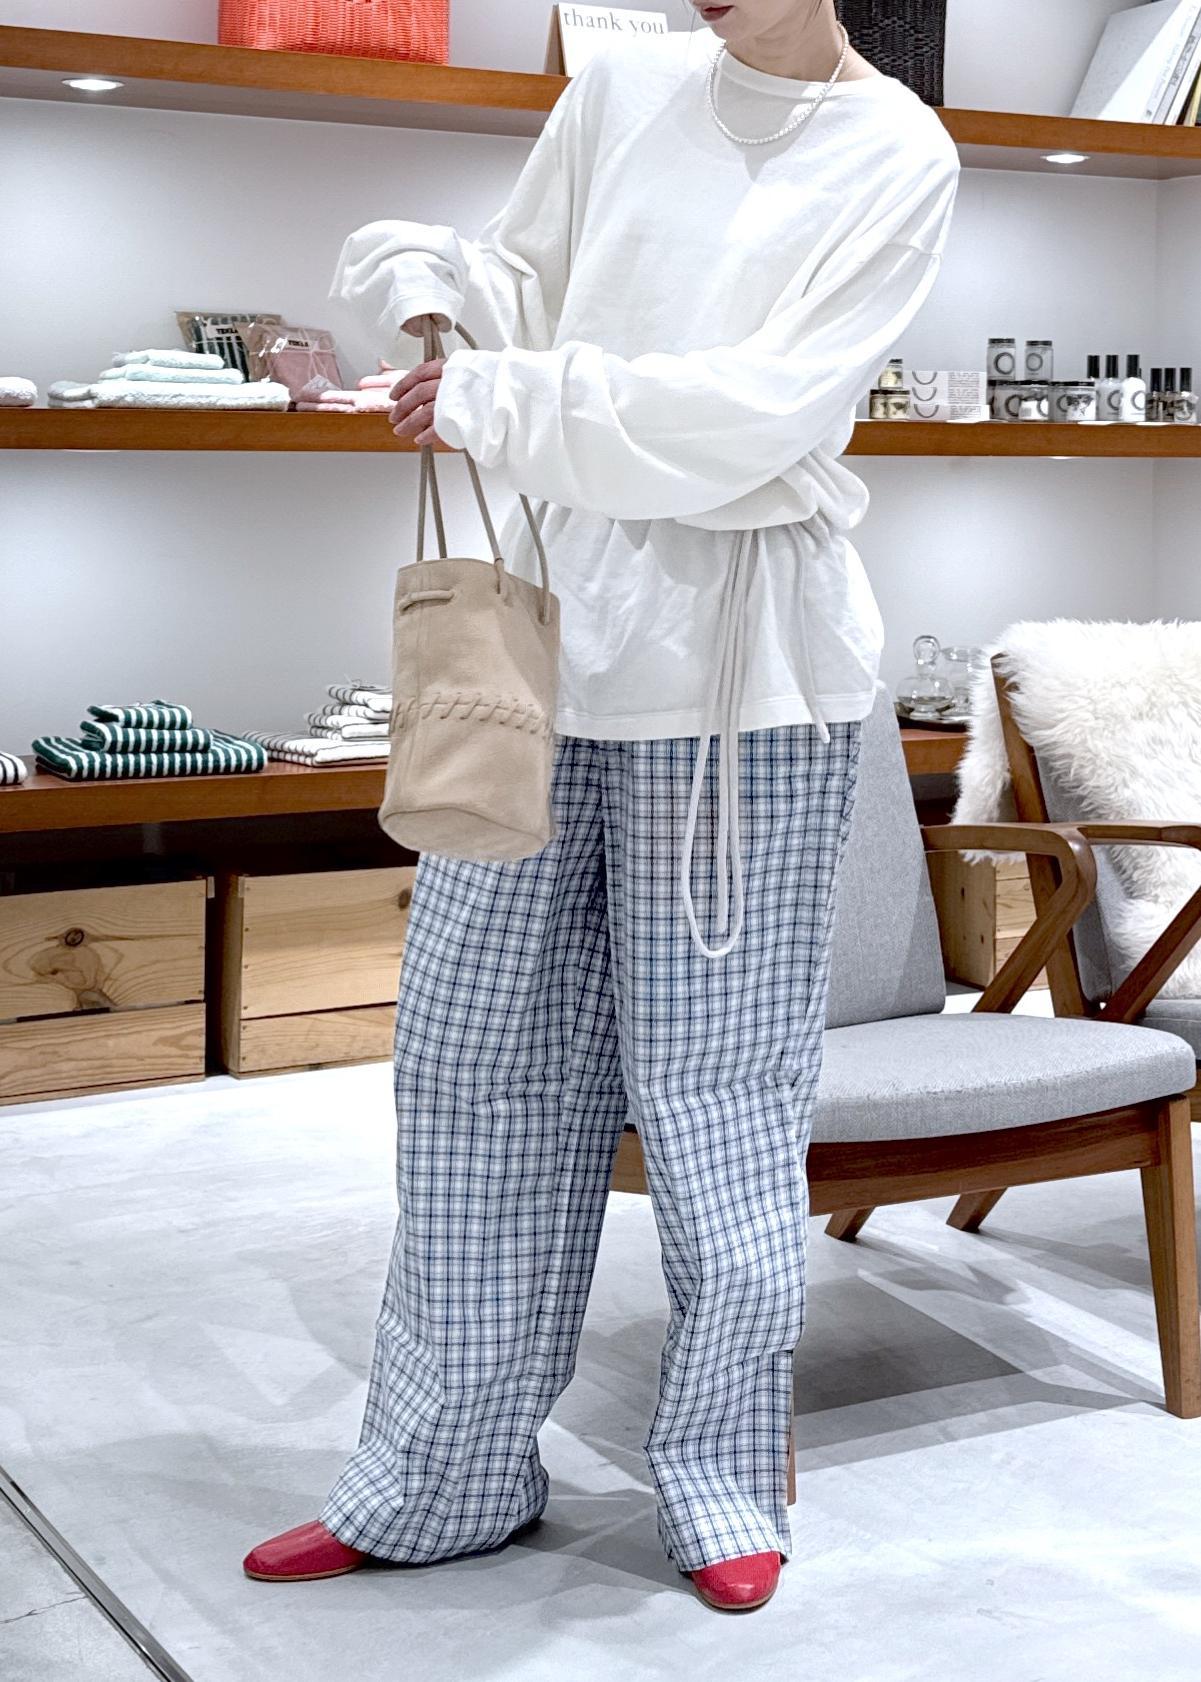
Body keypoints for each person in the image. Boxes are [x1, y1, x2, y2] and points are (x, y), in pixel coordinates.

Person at [244, 0, 960, 1613]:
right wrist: (442, 302)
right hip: (550, 635)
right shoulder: (624, 80)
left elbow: (761, 411)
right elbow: (528, 286)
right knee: (468, 1058)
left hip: (750, 677)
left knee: (720, 1091)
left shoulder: (897, 149)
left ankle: (716, 1475)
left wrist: (507, 399)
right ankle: (439, 1473)